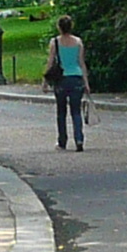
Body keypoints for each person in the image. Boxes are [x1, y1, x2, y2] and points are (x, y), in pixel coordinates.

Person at [45, 16, 89, 151]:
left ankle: (62, 141)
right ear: (71, 26)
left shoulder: (55, 42)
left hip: (61, 79)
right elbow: (81, 63)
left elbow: (50, 62)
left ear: (59, 27)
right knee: (76, 111)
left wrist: (45, 81)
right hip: (76, 77)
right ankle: (79, 139)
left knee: (61, 112)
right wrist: (86, 82)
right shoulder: (78, 42)